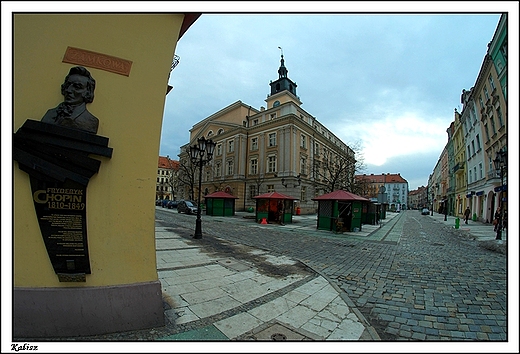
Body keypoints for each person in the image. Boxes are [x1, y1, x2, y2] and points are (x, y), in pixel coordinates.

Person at [41, 66, 99, 134]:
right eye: (67, 85)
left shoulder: (90, 121)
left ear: (87, 92)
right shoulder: (50, 114)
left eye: (77, 87)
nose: (69, 90)